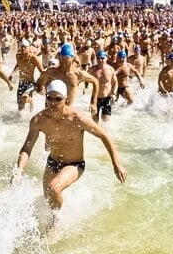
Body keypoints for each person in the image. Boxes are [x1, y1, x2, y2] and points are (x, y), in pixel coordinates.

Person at [14, 80, 127, 214]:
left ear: (66, 99)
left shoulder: (78, 119)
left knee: (54, 188)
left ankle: (57, 223)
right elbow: (27, 148)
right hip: (52, 162)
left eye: (58, 99)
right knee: (48, 200)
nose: (53, 103)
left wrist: (116, 164)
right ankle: (54, 220)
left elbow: (104, 135)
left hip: (74, 164)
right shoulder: (39, 120)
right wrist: (19, 169)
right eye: (49, 98)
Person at [9, 39, 44, 112]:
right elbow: (18, 65)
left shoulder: (33, 58)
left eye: (24, 47)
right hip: (21, 83)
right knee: (20, 107)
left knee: (24, 97)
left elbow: (42, 72)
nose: (22, 49)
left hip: (30, 83)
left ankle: (31, 101)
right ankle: (26, 116)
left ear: (29, 48)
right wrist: (12, 74)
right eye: (21, 47)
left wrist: (42, 84)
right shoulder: (18, 56)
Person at [87, 50, 118, 122]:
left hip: (107, 98)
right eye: (98, 58)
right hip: (95, 98)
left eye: (102, 58)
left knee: (106, 120)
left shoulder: (110, 69)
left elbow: (115, 83)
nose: (100, 60)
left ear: (106, 58)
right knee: (94, 121)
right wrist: (85, 87)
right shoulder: (92, 70)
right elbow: (84, 79)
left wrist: (113, 94)